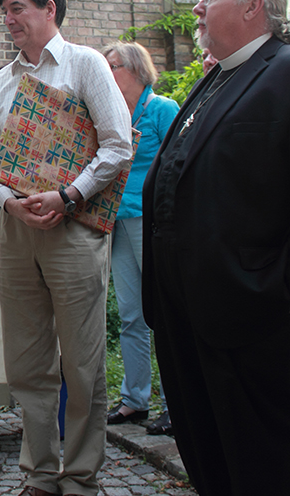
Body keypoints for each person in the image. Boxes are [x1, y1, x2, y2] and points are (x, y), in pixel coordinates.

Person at [141, 0, 290, 496]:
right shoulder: (215, 77)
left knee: (266, 462)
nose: (197, 5)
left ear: (253, 5)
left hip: (253, 308)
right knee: (211, 457)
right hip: (185, 314)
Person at [0, 0, 134, 496]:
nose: (9, 20)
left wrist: (70, 196)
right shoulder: (2, 81)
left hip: (75, 228)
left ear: (50, 10)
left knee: (83, 360)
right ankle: (41, 475)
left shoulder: (86, 64)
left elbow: (117, 146)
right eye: (6, 11)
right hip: (18, 231)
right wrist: (12, 205)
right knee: (26, 361)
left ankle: (82, 477)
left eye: (17, 8)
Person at [99, 42, 179, 436]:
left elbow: (181, 162)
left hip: (152, 221)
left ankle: (177, 403)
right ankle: (135, 399)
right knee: (131, 314)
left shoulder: (162, 109)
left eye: (112, 66)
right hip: (116, 220)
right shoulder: (108, 113)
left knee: (164, 312)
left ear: (135, 69)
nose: (106, 72)